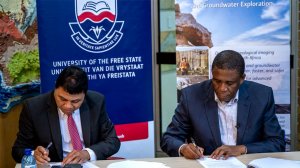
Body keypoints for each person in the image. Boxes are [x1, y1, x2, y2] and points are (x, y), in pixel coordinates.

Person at [161, 50, 285, 160]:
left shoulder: (262, 96)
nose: (222, 88)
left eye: (229, 83)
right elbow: (169, 138)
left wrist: (241, 149)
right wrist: (183, 148)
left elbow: (277, 143)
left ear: (242, 79)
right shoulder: (191, 96)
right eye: (217, 81)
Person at [12, 65, 120, 165]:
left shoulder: (96, 101)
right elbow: (18, 150)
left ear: (84, 95)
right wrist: (33, 155)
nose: (68, 106)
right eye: (62, 99)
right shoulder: (33, 108)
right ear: (55, 89)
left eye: (75, 101)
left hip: (88, 165)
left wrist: (86, 154)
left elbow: (113, 141)